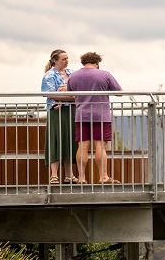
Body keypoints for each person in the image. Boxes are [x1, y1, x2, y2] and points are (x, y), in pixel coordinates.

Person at [67, 51, 122, 184]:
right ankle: (103, 177)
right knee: (100, 146)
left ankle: (81, 178)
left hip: (81, 115)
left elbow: (70, 95)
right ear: (97, 62)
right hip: (101, 114)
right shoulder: (105, 74)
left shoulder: (73, 76)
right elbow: (119, 93)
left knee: (83, 146)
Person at [40, 49, 79, 185]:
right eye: (63, 59)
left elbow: (79, 91)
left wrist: (64, 96)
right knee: (55, 140)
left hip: (71, 111)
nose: (67, 61)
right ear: (55, 60)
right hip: (56, 112)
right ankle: (54, 175)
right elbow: (50, 94)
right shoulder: (49, 75)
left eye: (67, 58)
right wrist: (67, 96)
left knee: (70, 140)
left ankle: (69, 174)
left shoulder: (72, 73)